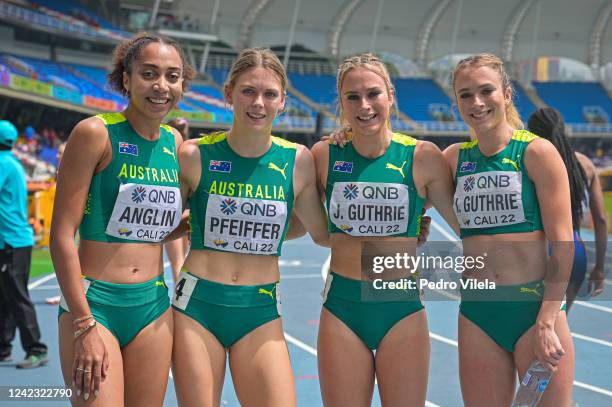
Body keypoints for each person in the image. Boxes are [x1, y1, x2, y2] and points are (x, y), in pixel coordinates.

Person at [172, 47, 329, 407]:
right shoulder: (193, 155)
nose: (258, 103)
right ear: (229, 93)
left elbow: (318, 233)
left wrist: (400, 234)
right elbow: (156, 228)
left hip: (259, 309)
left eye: (269, 94)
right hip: (198, 307)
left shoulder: (297, 161)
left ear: (282, 101)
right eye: (248, 91)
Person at [50, 33, 193, 404]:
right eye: (149, 74)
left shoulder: (174, 143)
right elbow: (62, 235)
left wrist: (193, 224)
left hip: (153, 306)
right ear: (126, 79)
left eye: (172, 76)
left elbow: (155, 229)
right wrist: (84, 323)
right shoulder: (95, 133)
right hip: (95, 305)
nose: (162, 86)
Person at [311, 53, 459, 406]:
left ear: (390, 94)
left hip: (401, 307)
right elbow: (309, 229)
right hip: (343, 307)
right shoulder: (324, 155)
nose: (364, 105)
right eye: (352, 97)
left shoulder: (423, 157)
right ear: (342, 103)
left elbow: (467, 227)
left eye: (373, 94)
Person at [443, 53, 575, 406]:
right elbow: (407, 195)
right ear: (456, 102)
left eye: (486, 90)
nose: (477, 102)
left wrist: (547, 320)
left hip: (533, 313)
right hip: (478, 314)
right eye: (465, 94)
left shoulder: (537, 153)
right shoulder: (453, 160)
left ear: (507, 93)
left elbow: (564, 246)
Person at [528, 107, 607, 310]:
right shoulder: (586, 165)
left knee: (532, 329)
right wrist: (599, 268)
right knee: (558, 326)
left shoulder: (528, 162)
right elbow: (601, 220)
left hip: (539, 248)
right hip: (575, 249)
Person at [0, 119, 49, 369]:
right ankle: (3, 347)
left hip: (10, 239)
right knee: (6, 294)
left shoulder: (2, 163)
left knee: (17, 295)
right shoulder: (12, 162)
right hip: (14, 239)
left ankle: (37, 348)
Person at [165, 118, 190, 283]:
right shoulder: (188, 153)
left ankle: (178, 298)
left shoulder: (172, 152)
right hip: (178, 211)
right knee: (180, 261)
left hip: (178, 210)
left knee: (178, 262)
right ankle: (178, 300)